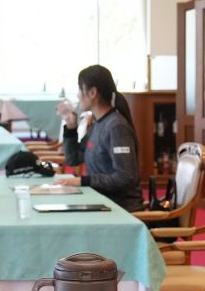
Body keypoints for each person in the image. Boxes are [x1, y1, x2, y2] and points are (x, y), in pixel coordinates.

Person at [56, 64, 141, 212]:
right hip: (100, 202)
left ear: (92, 92)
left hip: (119, 209)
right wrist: (71, 127)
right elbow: (73, 159)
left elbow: (125, 177)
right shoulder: (98, 123)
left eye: (80, 89)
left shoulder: (116, 126)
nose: (78, 95)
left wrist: (84, 181)